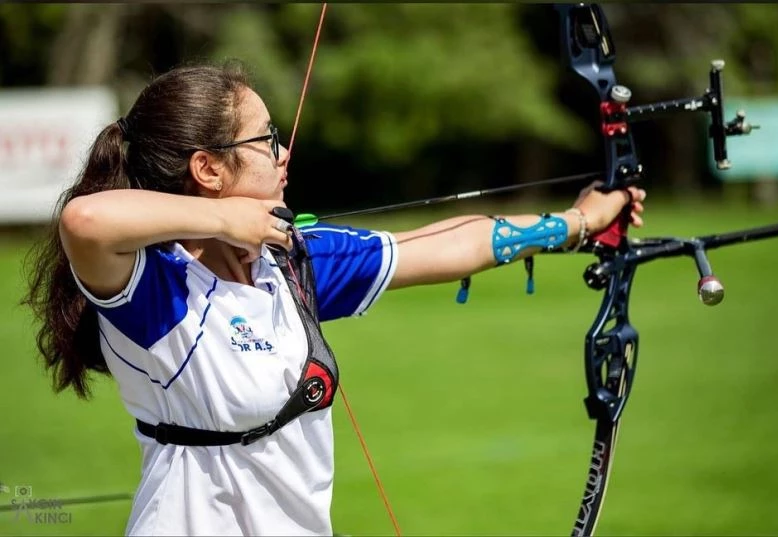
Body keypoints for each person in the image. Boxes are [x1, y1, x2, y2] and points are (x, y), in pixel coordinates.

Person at [23, 62, 646, 536]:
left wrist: (577, 222)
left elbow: (443, 245)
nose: (284, 151)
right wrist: (226, 223)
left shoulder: (291, 262)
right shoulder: (154, 291)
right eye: (266, 141)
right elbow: (84, 221)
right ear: (208, 170)